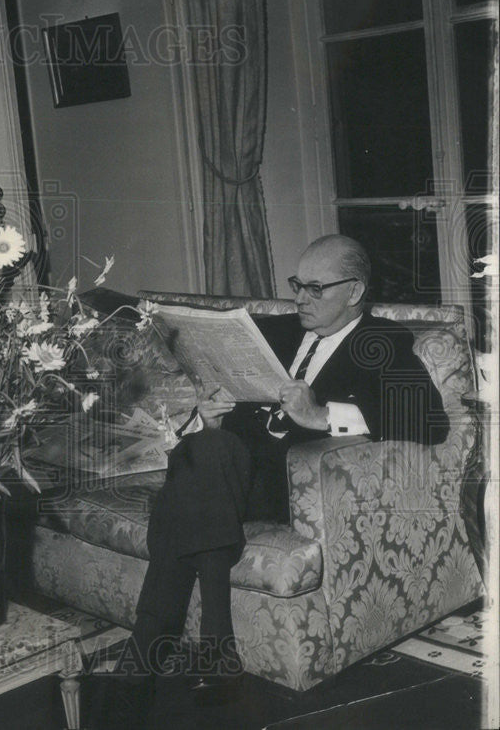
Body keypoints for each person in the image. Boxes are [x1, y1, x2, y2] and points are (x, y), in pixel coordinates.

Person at [100, 235, 447, 723]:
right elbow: (222, 418)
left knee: (192, 484)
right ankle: (217, 647)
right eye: (296, 285)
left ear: (354, 291)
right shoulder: (274, 330)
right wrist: (211, 415)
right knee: (207, 449)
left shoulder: (382, 341)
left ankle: (143, 657)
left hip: (290, 486)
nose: (301, 298)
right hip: (228, 473)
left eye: (315, 288)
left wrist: (323, 414)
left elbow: (431, 421)